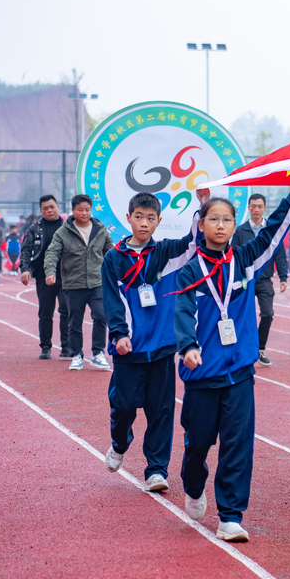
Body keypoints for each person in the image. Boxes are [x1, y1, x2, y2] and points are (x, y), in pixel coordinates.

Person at [174, 162, 290, 542]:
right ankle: (193, 484)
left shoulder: (245, 260)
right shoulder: (189, 272)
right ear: (201, 224)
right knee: (198, 443)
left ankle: (231, 516)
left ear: (234, 225)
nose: (220, 225)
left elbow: (275, 230)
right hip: (202, 375)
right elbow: (183, 310)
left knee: (238, 444)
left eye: (227, 220)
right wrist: (188, 346)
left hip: (239, 372)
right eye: (213, 219)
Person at [101, 189, 208, 492]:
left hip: (161, 347)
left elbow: (193, 243)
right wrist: (119, 333)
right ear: (128, 219)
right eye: (139, 217)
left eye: (150, 218)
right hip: (129, 347)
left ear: (159, 220)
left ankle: (156, 469)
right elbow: (111, 299)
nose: (144, 223)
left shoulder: (165, 253)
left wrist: (202, 208)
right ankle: (120, 443)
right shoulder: (114, 259)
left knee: (161, 410)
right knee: (123, 407)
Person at [43, 194, 115, 371]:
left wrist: (118, 273)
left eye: (87, 210)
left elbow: (111, 252)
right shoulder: (63, 232)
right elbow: (52, 253)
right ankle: (77, 355)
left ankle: (98, 353)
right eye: (80, 210)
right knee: (74, 321)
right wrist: (50, 272)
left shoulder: (100, 229)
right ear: (73, 211)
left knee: (100, 316)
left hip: (97, 282)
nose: (84, 213)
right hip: (73, 284)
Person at [231, 192, 289, 368]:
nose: (256, 210)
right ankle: (240, 349)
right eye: (253, 206)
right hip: (245, 281)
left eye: (259, 206)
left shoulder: (271, 231)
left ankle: (260, 349)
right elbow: (234, 255)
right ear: (249, 208)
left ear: (264, 208)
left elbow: (279, 254)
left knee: (267, 314)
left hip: (264, 280)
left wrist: (283, 277)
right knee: (240, 315)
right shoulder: (240, 231)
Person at [20, 195, 72, 360]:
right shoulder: (34, 229)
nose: (49, 210)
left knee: (67, 310)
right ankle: (46, 347)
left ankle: (66, 346)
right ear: (41, 210)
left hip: (65, 276)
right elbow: (26, 250)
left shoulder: (68, 227)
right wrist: (25, 269)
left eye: (51, 207)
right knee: (45, 312)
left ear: (57, 206)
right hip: (43, 277)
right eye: (45, 208)